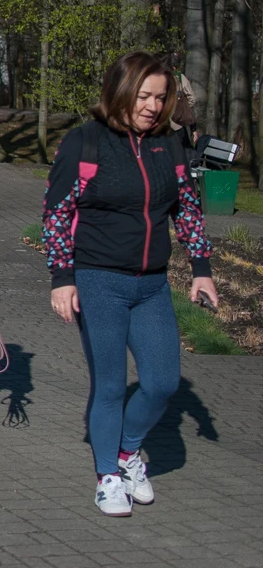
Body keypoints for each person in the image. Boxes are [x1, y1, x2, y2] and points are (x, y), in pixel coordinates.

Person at [42, 51, 217, 517]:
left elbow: (188, 209)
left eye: (161, 98)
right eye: (144, 95)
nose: (153, 106)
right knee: (112, 386)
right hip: (99, 281)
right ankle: (107, 477)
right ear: (121, 91)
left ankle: (126, 452)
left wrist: (201, 268)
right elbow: (57, 215)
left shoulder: (169, 146)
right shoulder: (85, 142)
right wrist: (63, 278)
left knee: (161, 383)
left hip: (152, 285)